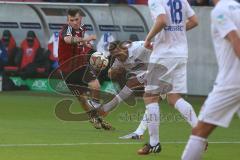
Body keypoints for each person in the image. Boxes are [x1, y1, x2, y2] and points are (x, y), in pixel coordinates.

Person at [137, 0, 199, 155]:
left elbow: (162, 20)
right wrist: (176, 32)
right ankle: (200, 135)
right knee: (173, 97)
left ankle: (154, 143)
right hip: (181, 53)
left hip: (164, 55)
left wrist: (148, 39)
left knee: (150, 97)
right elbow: (194, 21)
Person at [181, 0, 240, 159]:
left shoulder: (219, 11)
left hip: (231, 83)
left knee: (199, 132)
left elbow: (236, 41)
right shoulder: (237, 7)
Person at [57, 8, 113, 130]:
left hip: (80, 66)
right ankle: (94, 117)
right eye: (71, 20)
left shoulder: (82, 28)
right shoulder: (66, 29)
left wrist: (85, 45)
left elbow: (78, 43)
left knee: (96, 85)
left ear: (80, 18)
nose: (74, 22)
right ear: (68, 21)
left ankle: (96, 106)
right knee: (82, 99)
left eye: (76, 19)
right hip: (67, 71)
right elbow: (68, 39)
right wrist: (85, 39)